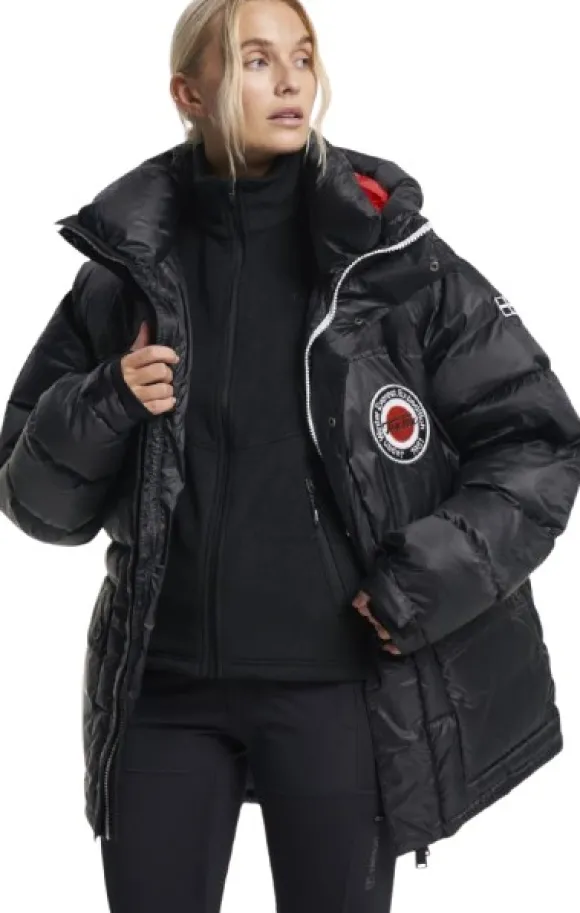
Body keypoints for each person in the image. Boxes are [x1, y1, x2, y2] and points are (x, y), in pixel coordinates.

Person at [1, 0, 579, 911]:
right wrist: (108, 399)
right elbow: (36, 500)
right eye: (256, 59)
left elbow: (538, 440)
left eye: (302, 57)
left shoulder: (390, 262)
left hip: (336, 689)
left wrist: (418, 581)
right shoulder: (123, 274)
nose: (290, 80)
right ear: (189, 93)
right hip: (161, 690)